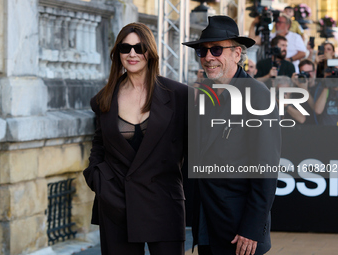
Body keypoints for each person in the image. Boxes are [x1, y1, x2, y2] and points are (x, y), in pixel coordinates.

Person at [83, 22, 188, 255]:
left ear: (150, 52)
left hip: (163, 204)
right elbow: (99, 145)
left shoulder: (179, 95)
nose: (132, 54)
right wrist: (98, 179)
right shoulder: (104, 99)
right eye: (125, 48)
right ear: (117, 53)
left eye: (139, 48)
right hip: (117, 204)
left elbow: (192, 152)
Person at [183, 15, 281, 255]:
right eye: (203, 51)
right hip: (208, 221)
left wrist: (252, 228)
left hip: (240, 231)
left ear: (237, 53)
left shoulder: (257, 96)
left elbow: (266, 169)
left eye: (216, 50)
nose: (208, 57)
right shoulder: (205, 94)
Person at [291, 59, 318, 124]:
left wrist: (305, 91)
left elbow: (316, 110)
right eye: (304, 73)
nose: (307, 75)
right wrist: (292, 84)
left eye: (309, 72)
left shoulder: (320, 87)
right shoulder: (297, 87)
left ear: (315, 72)